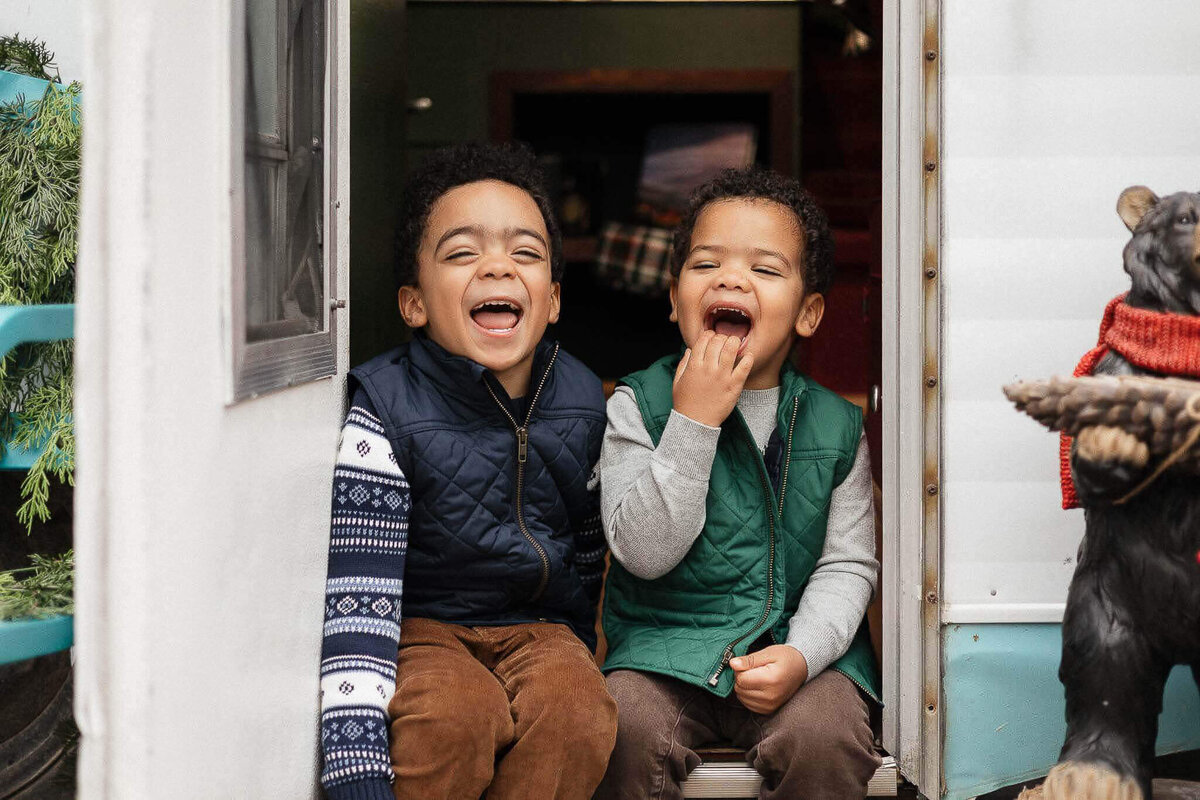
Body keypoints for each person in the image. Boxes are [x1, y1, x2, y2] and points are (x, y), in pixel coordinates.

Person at [317, 142, 617, 800]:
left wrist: (589, 645)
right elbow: (356, 602)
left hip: (545, 629)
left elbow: (592, 550)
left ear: (554, 300)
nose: (498, 267)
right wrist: (354, 762)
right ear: (414, 303)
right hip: (425, 628)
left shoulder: (581, 397)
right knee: (452, 720)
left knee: (579, 715)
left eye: (525, 252)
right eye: (462, 252)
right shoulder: (385, 412)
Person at [595, 167, 881, 800]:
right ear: (674, 299)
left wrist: (804, 654)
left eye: (766, 269)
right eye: (707, 265)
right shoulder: (636, 404)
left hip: (798, 651)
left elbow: (849, 565)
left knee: (827, 737)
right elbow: (642, 552)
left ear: (808, 314)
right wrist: (693, 419)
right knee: (623, 727)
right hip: (661, 654)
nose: (731, 279)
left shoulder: (835, 424)